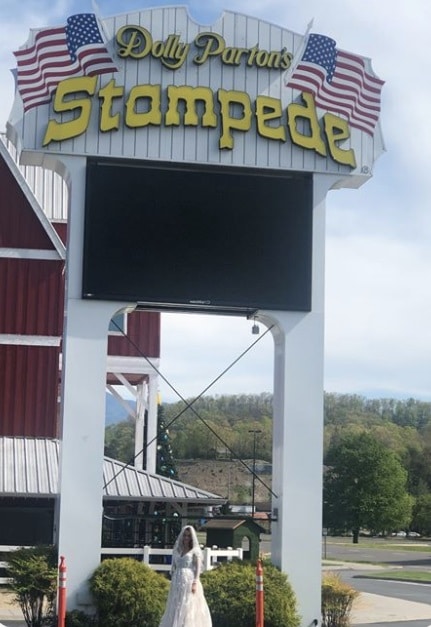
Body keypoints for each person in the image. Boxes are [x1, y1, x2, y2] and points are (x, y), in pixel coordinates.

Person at [159, 525, 212, 627]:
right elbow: (173, 567)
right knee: (176, 603)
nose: (186, 538)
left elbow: (198, 568)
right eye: (185, 535)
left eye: (188, 536)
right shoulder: (177, 550)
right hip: (177, 580)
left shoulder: (195, 551)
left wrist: (195, 582)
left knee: (188, 604)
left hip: (189, 579)